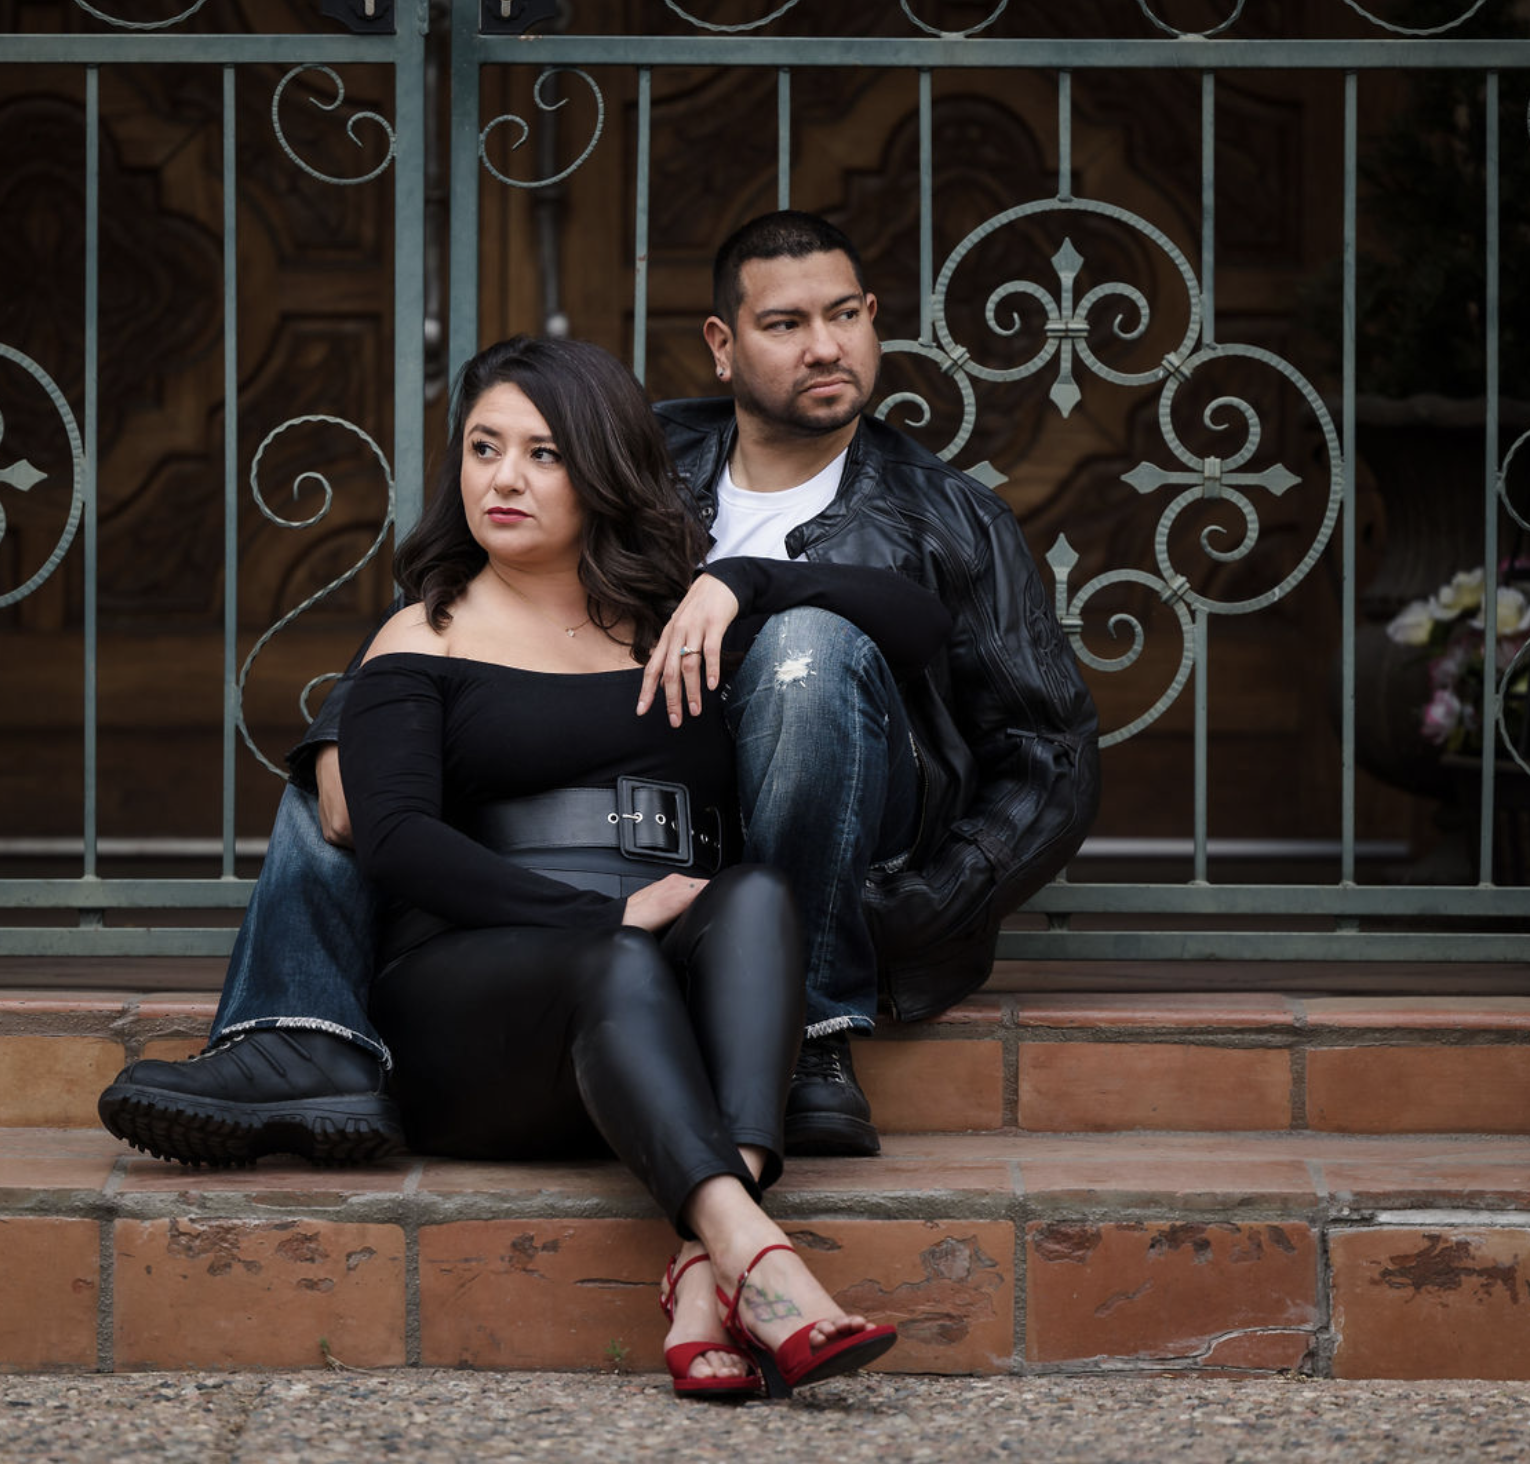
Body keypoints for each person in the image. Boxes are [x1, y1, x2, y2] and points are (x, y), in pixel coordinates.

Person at [98, 209, 1097, 1169]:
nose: (825, 347)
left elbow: (1048, 757)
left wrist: (902, 908)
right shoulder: (638, 449)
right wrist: (344, 722)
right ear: (723, 342)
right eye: (786, 324)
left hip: (798, 870)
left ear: (875, 318)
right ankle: (302, 1041)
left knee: (806, 649)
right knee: (344, 781)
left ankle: (813, 1028)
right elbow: (472, 591)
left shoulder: (949, 517)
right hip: (630, 837)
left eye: (844, 316)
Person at [288, 333, 929, 1397]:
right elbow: (396, 840)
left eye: (544, 453)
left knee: (760, 894)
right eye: (485, 448)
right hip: (477, 998)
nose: (504, 477)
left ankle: (699, 1270)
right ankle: (760, 1256)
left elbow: (922, 628)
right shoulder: (426, 632)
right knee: (617, 961)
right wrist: (601, 917)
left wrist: (741, 581)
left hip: (650, 987)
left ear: (602, 468)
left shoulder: (677, 619)